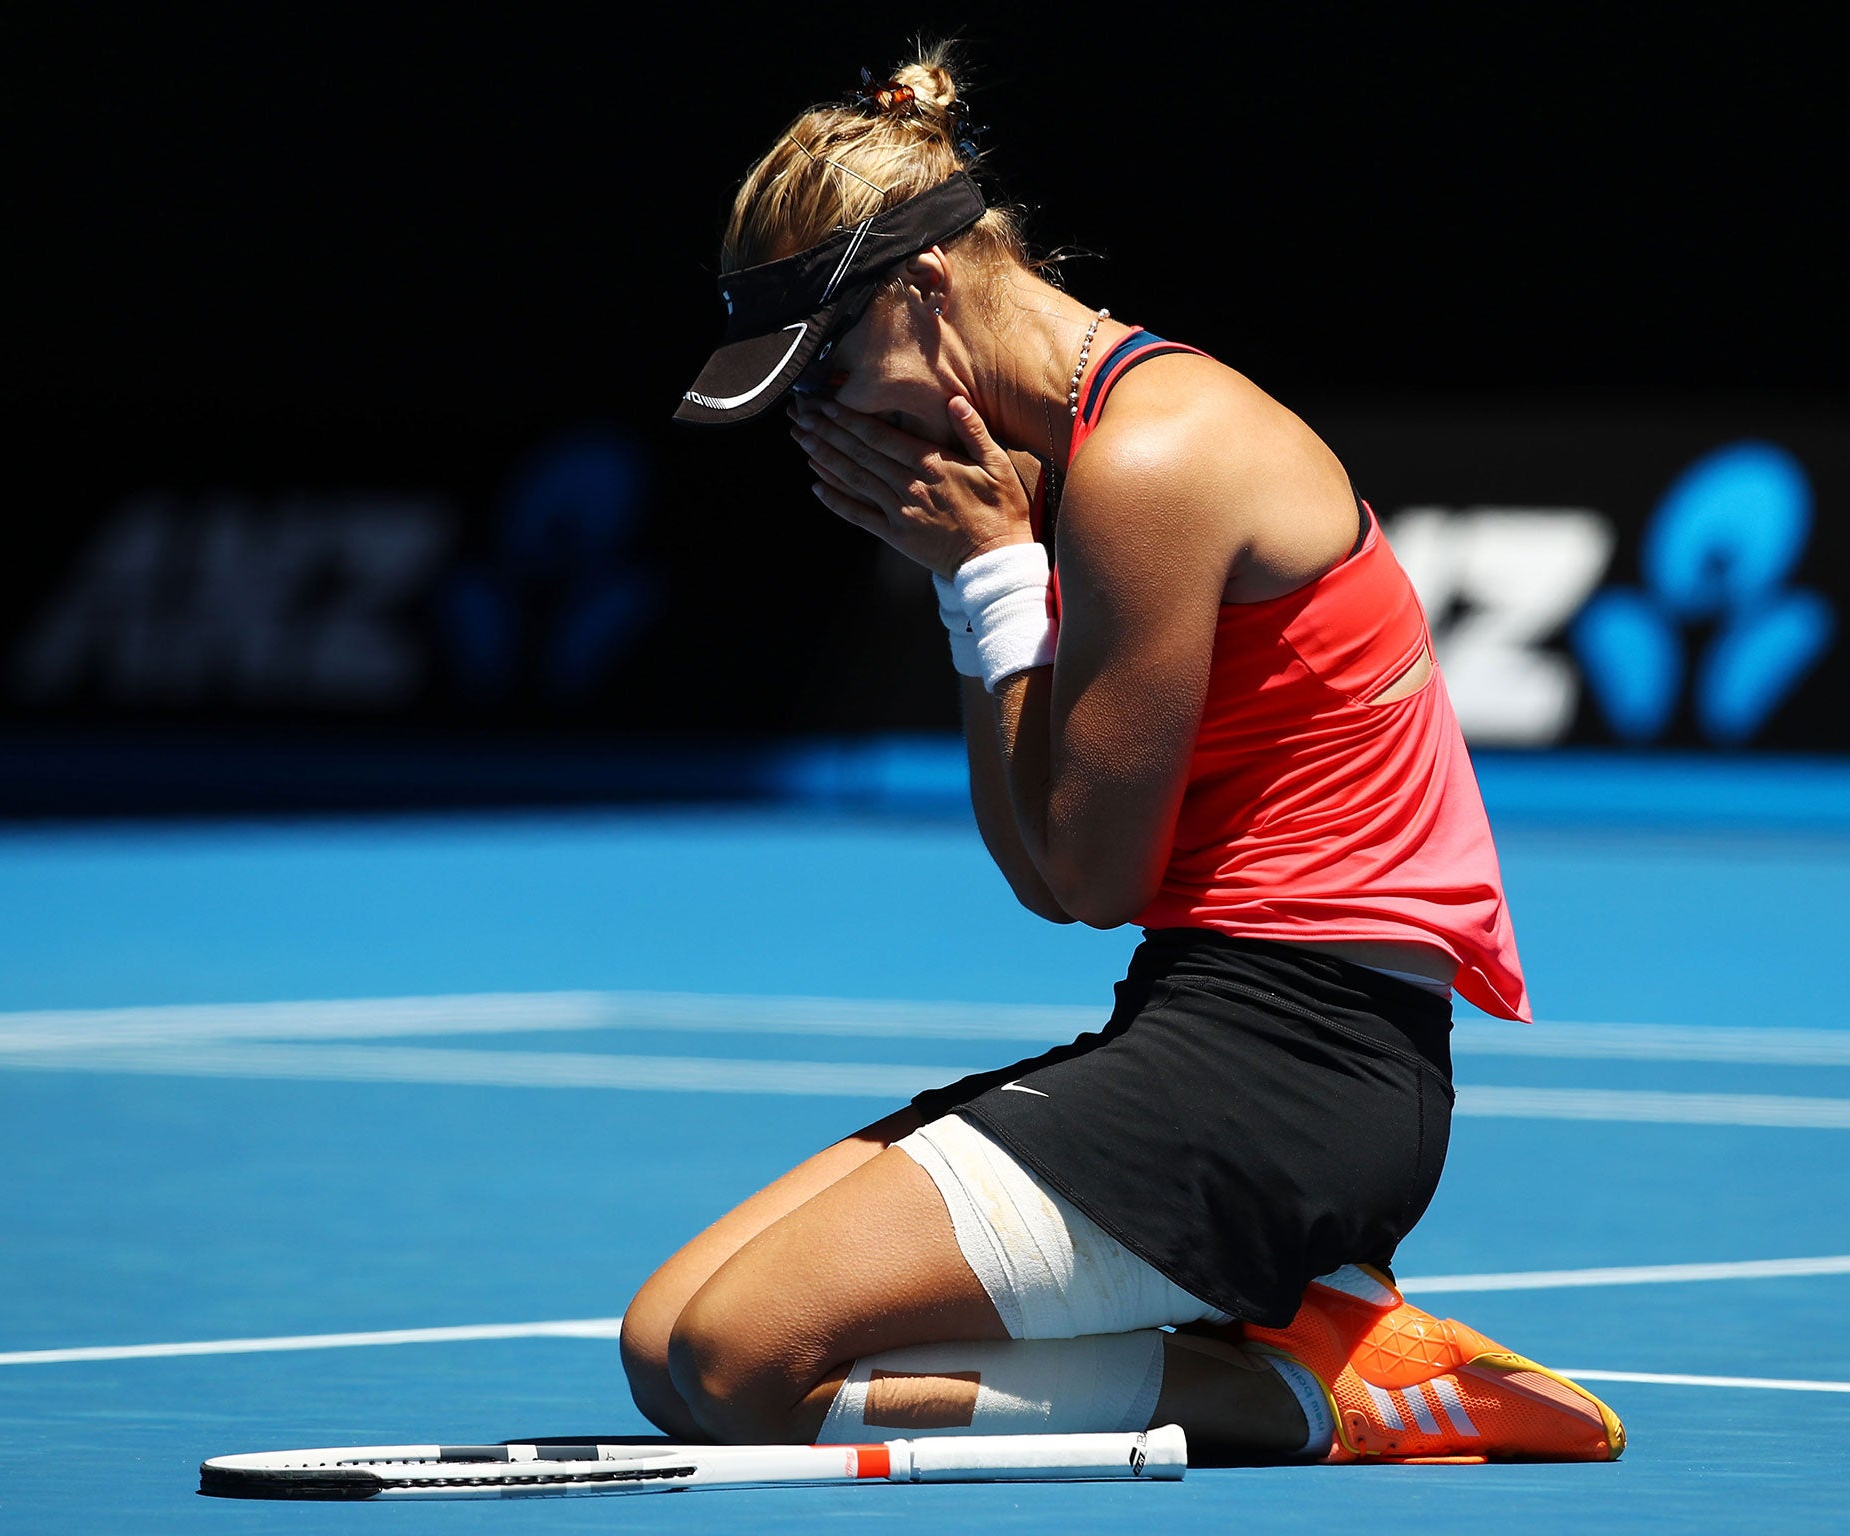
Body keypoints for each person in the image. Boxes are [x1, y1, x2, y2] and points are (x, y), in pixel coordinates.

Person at [627, 44, 1624, 1465]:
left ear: (921, 293)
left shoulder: (1153, 463)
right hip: (1204, 1035)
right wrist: (978, 579)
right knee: (663, 1341)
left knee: (741, 1368)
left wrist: (985, 575)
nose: (829, 418)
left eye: (830, 368)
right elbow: (1048, 874)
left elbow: (1088, 874)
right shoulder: (1079, 469)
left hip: (1302, 1088)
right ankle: (1306, 1325)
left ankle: (1303, 1394)